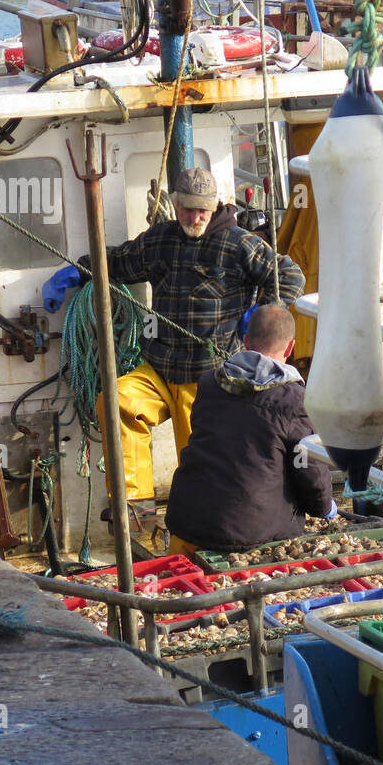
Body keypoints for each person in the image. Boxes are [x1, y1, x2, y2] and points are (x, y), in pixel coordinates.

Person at [82, 167, 305, 531]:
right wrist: (81, 268)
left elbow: (290, 274)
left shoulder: (239, 243)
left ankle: (204, 542)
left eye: (203, 210)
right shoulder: (161, 240)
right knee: (116, 400)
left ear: (216, 206)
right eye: (187, 209)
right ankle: (135, 505)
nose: (195, 217)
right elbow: (120, 262)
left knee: (201, 465)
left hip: (207, 379)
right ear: (175, 204)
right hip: (159, 367)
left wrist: (263, 311)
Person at [165, 304, 334, 554]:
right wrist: (324, 507)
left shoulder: (209, 383)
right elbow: (307, 467)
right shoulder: (296, 401)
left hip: (186, 523)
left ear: (245, 341)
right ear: (290, 347)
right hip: (250, 537)